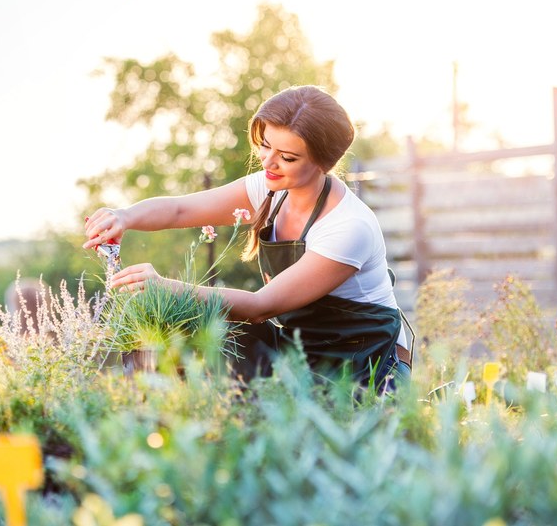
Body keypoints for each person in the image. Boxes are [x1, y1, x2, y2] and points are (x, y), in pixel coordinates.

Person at [83, 85, 411, 388]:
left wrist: (166, 287)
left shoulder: (348, 226)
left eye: (288, 157)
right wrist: (123, 216)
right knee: (189, 329)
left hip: (359, 368)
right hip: (298, 347)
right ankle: (162, 426)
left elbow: (259, 307)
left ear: (324, 163)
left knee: (218, 328)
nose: (268, 162)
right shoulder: (270, 188)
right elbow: (180, 211)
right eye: (266, 145)